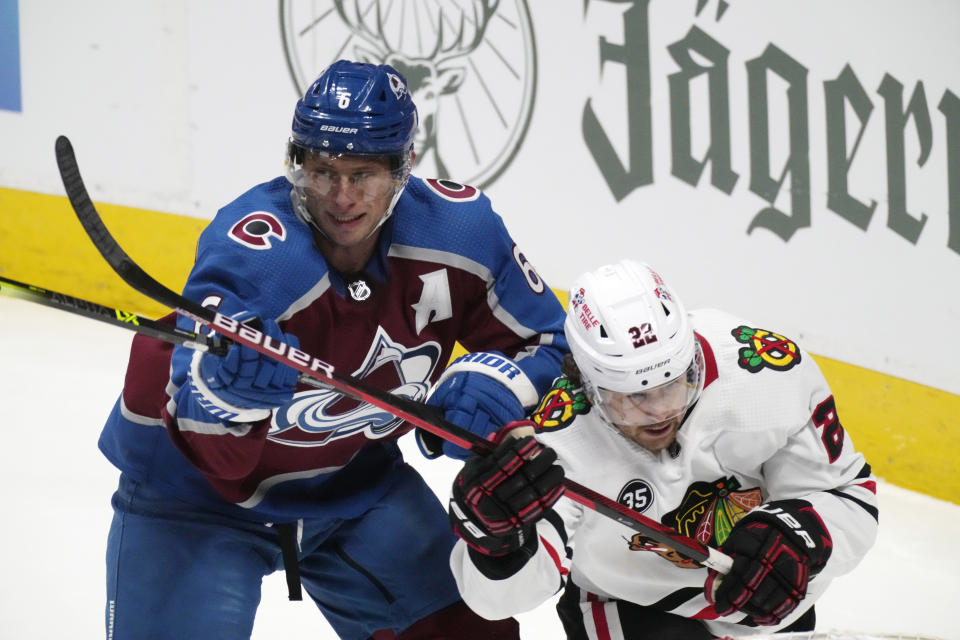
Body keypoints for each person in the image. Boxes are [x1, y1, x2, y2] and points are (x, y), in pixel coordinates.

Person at [98, 60, 568, 639]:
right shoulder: (255, 252)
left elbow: (554, 348)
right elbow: (208, 445)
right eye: (323, 171)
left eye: (364, 174)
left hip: (353, 487)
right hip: (193, 500)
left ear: (404, 167)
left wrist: (503, 384)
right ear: (297, 162)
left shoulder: (460, 235)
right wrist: (229, 395)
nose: (341, 198)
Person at [447, 259, 879, 639]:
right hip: (633, 605)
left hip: (768, 601)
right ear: (587, 382)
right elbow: (499, 601)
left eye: (673, 382)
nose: (659, 412)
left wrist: (799, 537)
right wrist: (499, 546)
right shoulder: (559, 441)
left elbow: (851, 497)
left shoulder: (767, 370)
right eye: (632, 396)